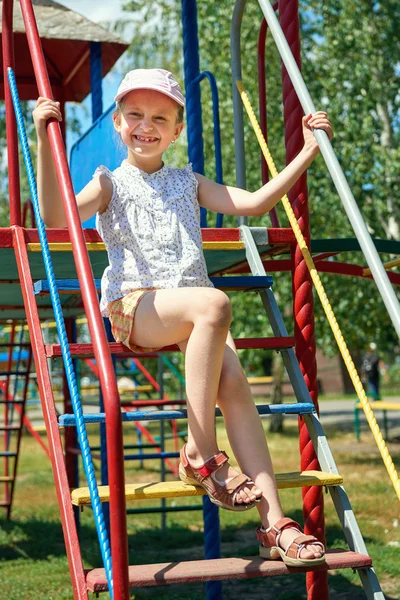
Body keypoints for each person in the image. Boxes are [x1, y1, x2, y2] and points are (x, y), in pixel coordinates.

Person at [33, 68, 332, 567]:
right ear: (117, 124)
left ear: (176, 129)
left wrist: (307, 152)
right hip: (135, 307)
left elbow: (254, 203)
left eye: (159, 118)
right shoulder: (110, 183)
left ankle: (274, 522)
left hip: (189, 314)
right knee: (213, 302)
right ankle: (200, 453)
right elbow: (55, 213)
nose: (145, 126)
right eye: (134, 115)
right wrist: (45, 141)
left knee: (234, 382)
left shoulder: (187, 181)